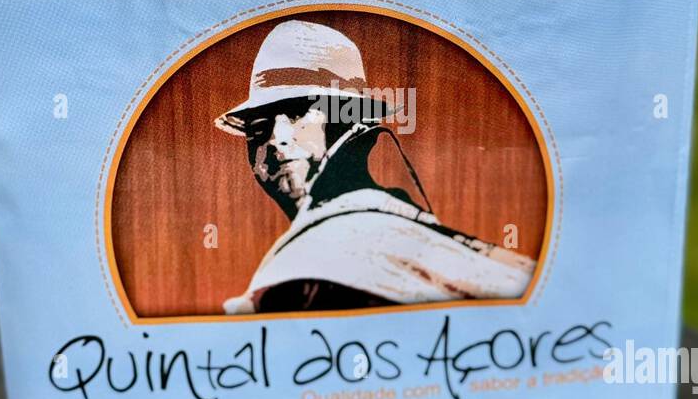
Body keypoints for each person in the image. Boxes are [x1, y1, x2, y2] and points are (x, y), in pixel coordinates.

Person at [215, 19, 535, 313]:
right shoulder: (384, 232)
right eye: (257, 129)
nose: (275, 139)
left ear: (355, 130)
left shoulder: (317, 261)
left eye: (300, 115)